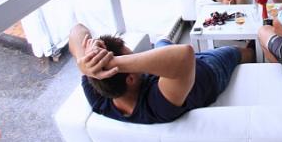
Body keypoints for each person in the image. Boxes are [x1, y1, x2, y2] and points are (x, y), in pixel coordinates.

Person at [69, 24, 254, 124]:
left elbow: (77, 29)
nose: (133, 54)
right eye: (129, 55)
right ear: (130, 77)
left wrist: (84, 60)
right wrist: (115, 63)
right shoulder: (156, 104)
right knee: (234, 51)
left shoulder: (100, 97)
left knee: (161, 42)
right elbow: (185, 55)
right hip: (209, 71)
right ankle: (253, 52)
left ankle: (163, 42)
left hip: (170, 69)